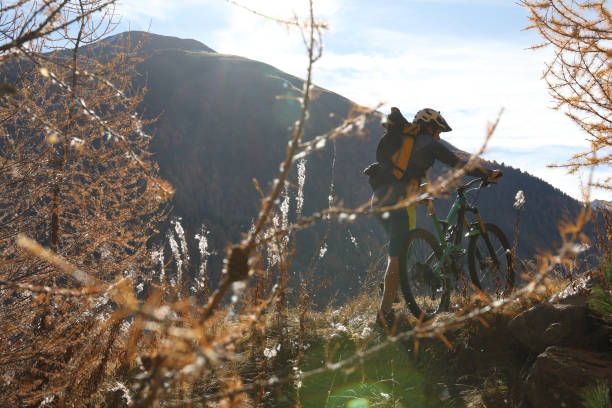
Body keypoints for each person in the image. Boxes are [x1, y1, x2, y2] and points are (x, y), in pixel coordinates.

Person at [372, 107, 502, 330]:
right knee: (397, 256)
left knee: (401, 251)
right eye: (438, 131)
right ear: (429, 127)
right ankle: (384, 316)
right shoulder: (427, 143)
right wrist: (485, 173)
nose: (439, 137)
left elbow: (403, 175)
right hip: (398, 200)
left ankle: (389, 292)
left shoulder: (407, 142)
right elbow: (458, 163)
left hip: (378, 199)